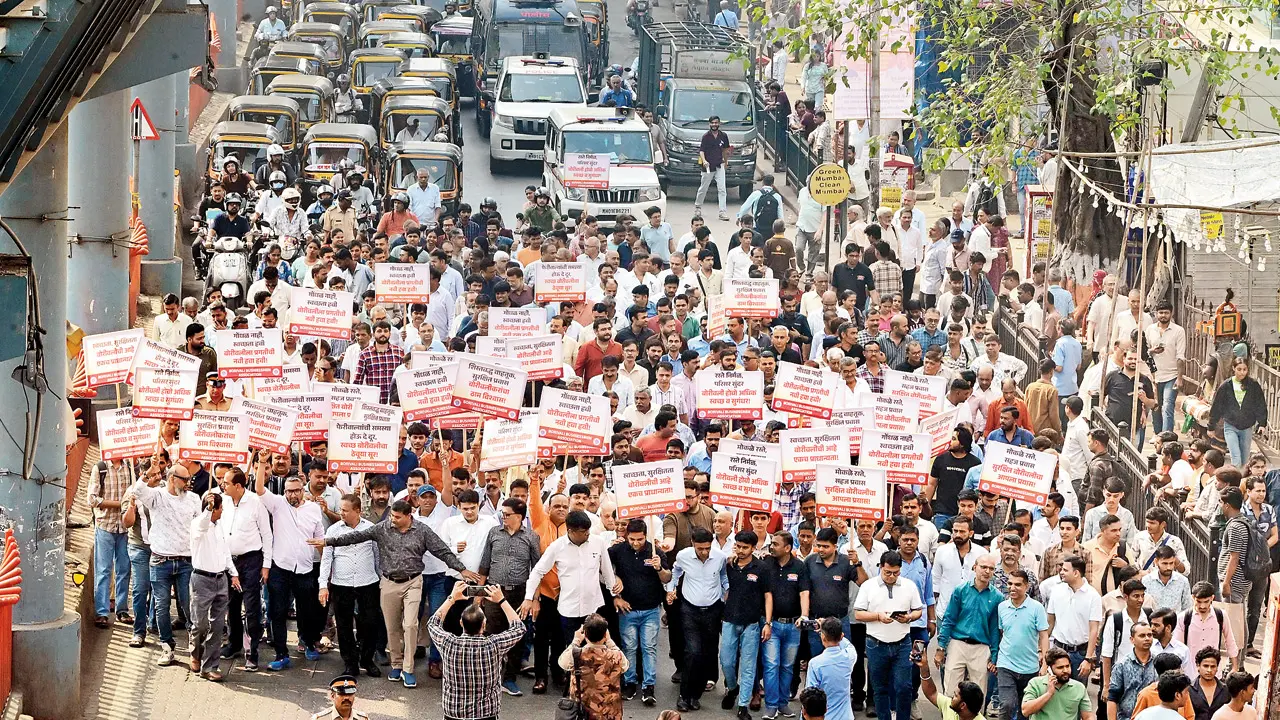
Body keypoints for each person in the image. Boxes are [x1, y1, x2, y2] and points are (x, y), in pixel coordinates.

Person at [307, 499, 478, 688]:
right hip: (388, 583)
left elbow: (442, 551)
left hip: (413, 582)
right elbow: (355, 537)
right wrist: (327, 541)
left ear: (408, 516)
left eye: (397, 517)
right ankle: (396, 665)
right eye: (391, 516)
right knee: (392, 627)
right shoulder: (382, 528)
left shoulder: (422, 531)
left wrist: (461, 569)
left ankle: (408, 669)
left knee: (411, 624)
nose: (392, 520)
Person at [130, 464, 201, 667]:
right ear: (172, 479)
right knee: (161, 607)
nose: (188, 483)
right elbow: (137, 490)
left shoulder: (194, 499)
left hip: (186, 561)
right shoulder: (157, 496)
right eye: (184, 479)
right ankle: (167, 648)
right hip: (160, 560)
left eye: (189, 479)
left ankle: (194, 646)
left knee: (189, 606)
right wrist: (147, 473)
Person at [427, 581, 528, 720]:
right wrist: (502, 600)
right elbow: (519, 628)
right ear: (484, 624)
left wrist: (451, 598)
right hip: (486, 715)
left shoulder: (448, 643)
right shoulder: (494, 645)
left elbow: (432, 623)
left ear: (461, 623)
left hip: (454, 714)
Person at [478, 497, 542, 697]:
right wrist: (479, 594)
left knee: (517, 635)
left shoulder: (531, 537)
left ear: (519, 516)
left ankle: (509, 678)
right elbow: (485, 564)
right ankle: (489, 677)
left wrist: (534, 599)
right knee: (490, 634)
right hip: (494, 591)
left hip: (520, 593)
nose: (503, 517)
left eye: (507, 514)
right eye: (502, 514)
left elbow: (537, 570)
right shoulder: (493, 533)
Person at [853, 551, 924, 720]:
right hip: (876, 643)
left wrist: (909, 617)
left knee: (904, 687)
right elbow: (858, 614)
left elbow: (918, 610)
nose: (892, 576)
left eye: (896, 573)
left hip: (902, 643)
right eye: (887, 572)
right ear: (881, 568)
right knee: (880, 688)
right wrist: (878, 616)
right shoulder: (868, 586)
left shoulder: (909, 585)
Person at [318, 493, 383, 678]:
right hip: (341, 584)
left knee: (369, 623)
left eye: (346, 510)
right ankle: (350, 663)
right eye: (341, 510)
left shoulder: (370, 529)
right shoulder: (333, 531)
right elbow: (326, 559)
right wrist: (323, 585)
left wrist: (381, 580)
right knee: (344, 625)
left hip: (368, 583)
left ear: (358, 511)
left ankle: (367, 659)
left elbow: (377, 556)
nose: (342, 513)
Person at [665, 525, 728, 712]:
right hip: (690, 609)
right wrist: (671, 589)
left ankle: (695, 695)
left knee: (707, 653)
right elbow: (675, 572)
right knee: (692, 651)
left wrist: (727, 591)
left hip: (713, 610)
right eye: (700, 548)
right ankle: (684, 695)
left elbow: (724, 576)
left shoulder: (720, 557)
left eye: (707, 548)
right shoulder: (683, 556)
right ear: (693, 544)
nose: (704, 552)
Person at [610, 518, 671, 706]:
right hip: (627, 609)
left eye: (640, 539)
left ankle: (648, 686)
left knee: (649, 647)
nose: (636, 543)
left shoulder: (655, 551)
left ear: (646, 536)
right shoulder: (617, 551)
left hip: (651, 610)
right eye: (632, 539)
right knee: (629, 647)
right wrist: (616, 596)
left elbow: (667, 577)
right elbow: (604, 571)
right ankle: (629, 682)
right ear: (626, 536)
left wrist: (659, 567)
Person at [721, 529, 771, 720]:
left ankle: (743, 705)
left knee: (748, 666)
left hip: (752, 623)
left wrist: (767, 622)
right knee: (726, 661)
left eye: (745, 547)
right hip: (729, 620)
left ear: (753, 548)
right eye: (738, 546)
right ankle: (733, 688)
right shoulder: (729, 565)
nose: (741, 551)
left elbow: (768, 596)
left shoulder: (762, 568)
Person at [189, 492, 238, 682]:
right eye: (220, 509)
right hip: (201, 580)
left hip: (221, 580)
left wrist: (233, 573)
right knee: (200, 624)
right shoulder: (198, 525)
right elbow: (202, 525)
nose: (222, 511)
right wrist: (208, 510)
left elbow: (225, 552)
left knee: (217, 626)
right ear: (212, 509)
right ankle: (195, 652)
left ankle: (210, 666)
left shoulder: (220, 526)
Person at [936, 553, 1001, 697]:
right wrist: (941, 647)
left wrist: (994, 655)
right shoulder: (961, 590)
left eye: (991, 568)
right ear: (974, 567)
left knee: (978, 693)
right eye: (983, 567)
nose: (987, 571)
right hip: (958, 643)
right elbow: (949, 619)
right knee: (951, 690)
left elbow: (995, 628)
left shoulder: (997, 597)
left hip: (981, 647)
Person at [558, 614, 629, 720]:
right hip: (610, 713)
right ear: (605, 635)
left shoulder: (576, 655)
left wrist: (576, 640)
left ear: (585, 634)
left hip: (582, 712)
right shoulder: (616, 655)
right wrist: (610, 642)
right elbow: (625, 666)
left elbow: (562, 662)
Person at [1046, 555, 1104, 679]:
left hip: (1081, 653)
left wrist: (1088, 659)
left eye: (1065, 570)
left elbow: (1094, 629)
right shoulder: (1056, 591)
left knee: (1077, 693)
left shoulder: (1093, 596)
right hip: (1058, 650)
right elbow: (1049, 623)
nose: (1061, 572)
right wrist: (1043, 652)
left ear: (1076, 573)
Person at [1208, 358, 1268, 467]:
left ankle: (1242, 481)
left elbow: (1260, 404)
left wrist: (1262, 423)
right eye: (1239, 369)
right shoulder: (1226, 386)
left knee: (1245, 460)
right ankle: (1235, 481)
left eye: (1244, 369)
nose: (1242, 372)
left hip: (1246, 427)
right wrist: (1211, 426)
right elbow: (1217, 406)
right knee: (1236, 458)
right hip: (1230, 425)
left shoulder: (1253, 385)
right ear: (1233, 369)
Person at [805, 618, 858, 720]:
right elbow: (847, 644)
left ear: (823, 637)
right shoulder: (849, 656)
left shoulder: (815, 663)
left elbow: (810, 695)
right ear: (841, 635)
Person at [1021, 647, 1095, 720]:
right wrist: (1049, 694)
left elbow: (1088, 716)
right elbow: (1025, 711)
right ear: (1049, 669)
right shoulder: (1035, 684)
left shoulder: (1079, 687)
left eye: (1067, 666)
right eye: (1060, 667)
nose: (1065, 670)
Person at [913, 647, 986, 720]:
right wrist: (924, 667)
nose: (951, 698)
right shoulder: (949, 705)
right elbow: (931, 693)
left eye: (955, 696)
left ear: (963, 705)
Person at [1107, 622, 1158, 720]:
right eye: (1142, 636)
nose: (1147, 638)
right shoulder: (1121, 665)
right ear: (1132, 639)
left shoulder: (1159, 663)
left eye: (1149, 635)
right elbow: (1112, 698)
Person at [1188, 649, 1229, 720]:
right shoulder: (1188, 690)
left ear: (1217, 668)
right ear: (1198, 666)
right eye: (1206, 666)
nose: (1209, 670)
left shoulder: (1226, 690)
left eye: (1213, 666)